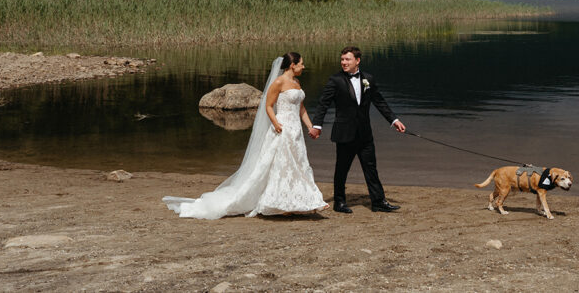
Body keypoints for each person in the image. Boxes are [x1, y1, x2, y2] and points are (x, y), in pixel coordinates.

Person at [163, 52, 328, 219]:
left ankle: (297, 201)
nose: (303, 66)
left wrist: (310, 127)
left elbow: (301, 108)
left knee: (297, 164)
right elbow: (269, 105)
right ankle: (278, 203)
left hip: (296, 131)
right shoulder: (279, 82)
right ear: (292, 65)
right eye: (301, 63)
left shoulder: (297, 82)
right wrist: (276, 123)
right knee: (281, 165)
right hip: (282, 128)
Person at [310, 46, 406, 213]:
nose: (344, 62)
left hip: (364, 134)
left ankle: (378, 202)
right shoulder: (335, 80)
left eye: (347, 59)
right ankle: (339, 202)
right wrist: (317, 125)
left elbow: (379, 101)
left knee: (371, 167)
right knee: (341, 169)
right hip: (344, 133)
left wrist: (394, 120)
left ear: (357, 61)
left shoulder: (368, 78)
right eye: (342, 59)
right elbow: (323, 104)